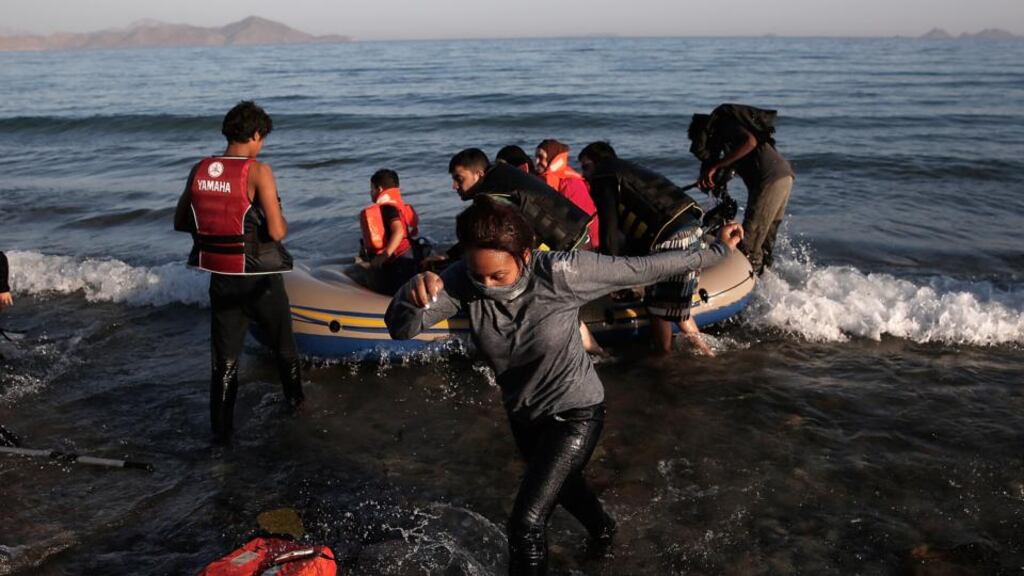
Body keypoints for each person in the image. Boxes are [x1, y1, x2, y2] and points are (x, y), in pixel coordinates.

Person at [385, 199, 743, 575]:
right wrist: (411, 293)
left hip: (576, 412)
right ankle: (605, 534)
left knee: (525, 524)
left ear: (524, 256)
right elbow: (400, 328)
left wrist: (719, 250)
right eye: (480, 276)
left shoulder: (561, 272)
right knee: (569, 490)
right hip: (524, 417)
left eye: (499, 276)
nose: (487, 287)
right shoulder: (462, 281)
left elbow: (646, 267)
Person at [173, 100, 303, 442]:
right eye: (262, 139)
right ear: (256, 134)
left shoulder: (200, 169)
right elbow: (276, 232)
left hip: (222, 280)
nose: (262, 146)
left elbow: (181, 221)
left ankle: (221, 436)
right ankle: (297, 409)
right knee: (284, 349)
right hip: (260, 281)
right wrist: (281, 218)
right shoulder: (258, 171)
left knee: (225, 362)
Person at [578, 141, 713, 356]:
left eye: (586, 167)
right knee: (675, 303)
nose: (584, 175)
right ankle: (706, 353)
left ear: (598, 162)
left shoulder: (603, 176)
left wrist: (610, 275)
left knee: (656, 306)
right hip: (692, 227)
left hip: (671, 237)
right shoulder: (628, 171)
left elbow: (609, 230)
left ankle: (664, 357)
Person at [688, 103, 794, 275]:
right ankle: (767, 282)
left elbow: (750, 142)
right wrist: (711, 177)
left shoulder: (724, 124)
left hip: (770, 179)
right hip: (783, 176)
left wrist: (717, 166)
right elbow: (729, 169)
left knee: (749, 242)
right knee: (764, 243)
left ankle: (749, 284)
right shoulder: (730, 142)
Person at [448, 148, 593, 254]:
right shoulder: (504, 175)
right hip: (578, 236)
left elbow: (485, 237)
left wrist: (451, 257)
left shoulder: (493, 194)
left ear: (479, 174)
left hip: (567, 249)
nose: (454, 186)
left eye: (459, 179)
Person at [359, 169, 421, 294]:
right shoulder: (398, 206)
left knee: (396, 293)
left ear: (379, 189)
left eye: (372, 189)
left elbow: (398, 232)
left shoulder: (387, 208)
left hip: (400, 261)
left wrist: (384, 256)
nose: (370, 193)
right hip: (408, 254)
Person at [534, 139, 599, 249]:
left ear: (552, 158)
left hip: (588, 242)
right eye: (536, 157)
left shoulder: (571, 183)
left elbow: (580, 220)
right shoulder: (546, 180)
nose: (536, 161)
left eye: (540, 157)